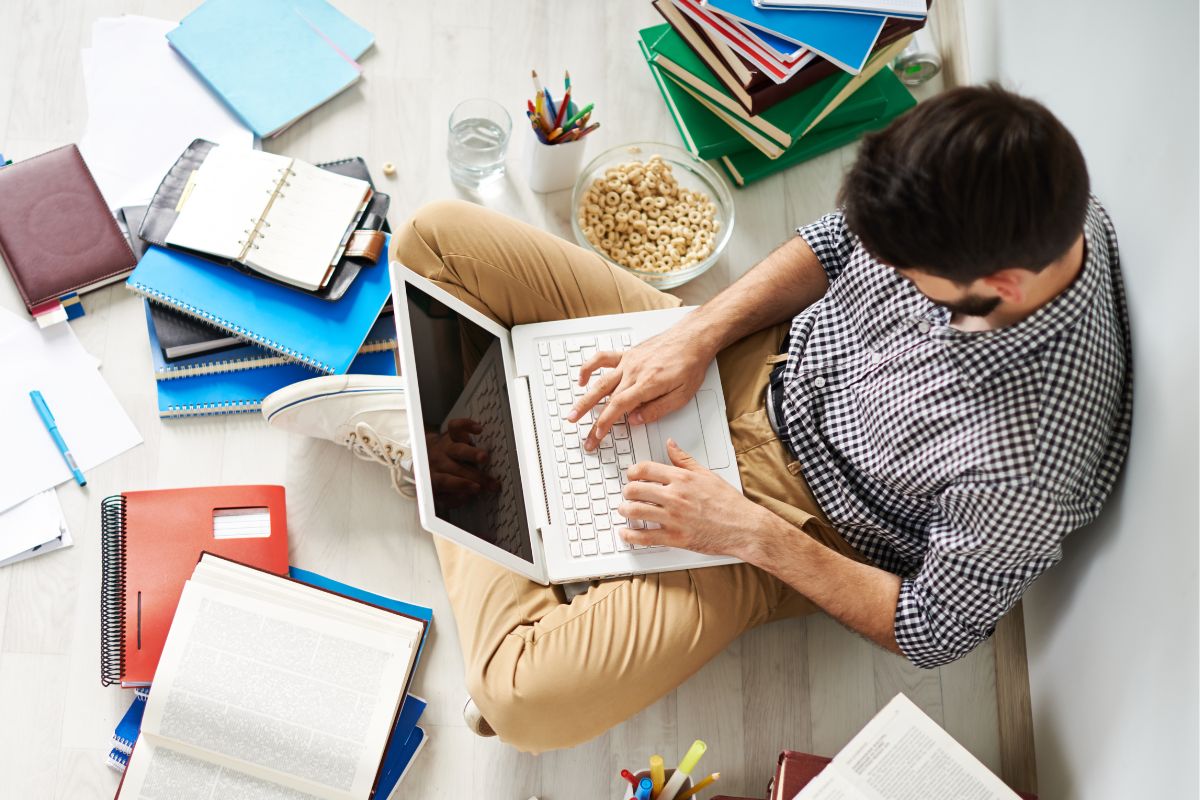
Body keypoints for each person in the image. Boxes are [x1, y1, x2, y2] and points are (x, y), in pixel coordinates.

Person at [264, 85, 1132, 753]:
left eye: (906, 276)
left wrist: (749, 533)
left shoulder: (1027, 460)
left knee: (520, 699)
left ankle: (442, 456)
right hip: (749, 357)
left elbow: (933, 627)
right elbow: (833, 246)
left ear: (1002, 289)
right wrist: (696, 331)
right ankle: (504, 476)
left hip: (792, 520)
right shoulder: (1014, 187)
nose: (883, 270)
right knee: (434, 238)